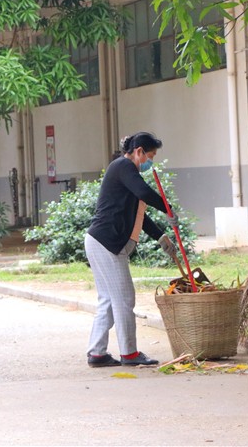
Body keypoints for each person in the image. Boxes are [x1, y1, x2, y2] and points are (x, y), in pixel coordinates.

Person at [84, 132, 179, 367]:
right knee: (124, 298)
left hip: (99, 241)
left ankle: (97, 353)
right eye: (150, 156)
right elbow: (145, 193)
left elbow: (140, 217)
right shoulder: (123, 166)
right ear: (138, 152)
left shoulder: (127, 175)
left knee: (108, 300)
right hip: (107, 243)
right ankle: (129, 353)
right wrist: (168, 209)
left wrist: (161, 238)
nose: (150, 162)